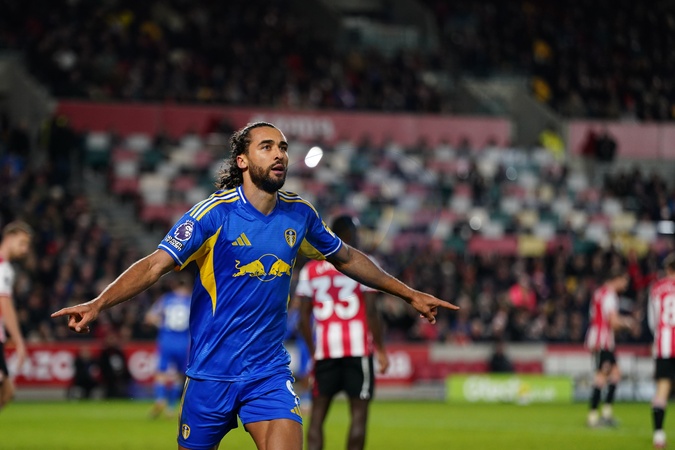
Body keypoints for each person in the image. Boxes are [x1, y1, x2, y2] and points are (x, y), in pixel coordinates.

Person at [51, 121, 459, 450]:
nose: (279, 154)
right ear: (242, 161)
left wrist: (409, 293)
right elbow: (156, 264)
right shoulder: (213, 214)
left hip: (268, 372)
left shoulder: (300, 215)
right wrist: (98, 304)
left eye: (283, 147)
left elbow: (348, 258)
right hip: (210, 373)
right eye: (267, 147)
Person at [295, 215, 390, 450]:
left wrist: (313, 352)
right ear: (347, 234)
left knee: (317, 418)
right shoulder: (363, 263)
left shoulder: (311, 270)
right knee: (358, 415)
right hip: (358, 350)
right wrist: (380, 349)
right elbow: (371, 312)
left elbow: (302, 319)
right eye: (354, 232)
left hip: (325, 352)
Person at [584, 266, 634, 428]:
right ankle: (593, 416)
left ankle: (606, 413)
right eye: (624, 280)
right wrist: (628, 323)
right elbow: (613, 322)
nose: (626, 284)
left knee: (616, 373)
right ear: (617, 279)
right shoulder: (610, 295)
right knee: (601, 376)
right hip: (603, 339)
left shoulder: (599, 292)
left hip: (599, 337)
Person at [145, 272, 192, 419]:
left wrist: (162, 324)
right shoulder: (191, 300)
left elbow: (149, 317)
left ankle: (160, 399)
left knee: (161, 373)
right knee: (178, 375)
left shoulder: (167, 299)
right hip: (184, 342)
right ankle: (171, 408)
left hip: (167, 340)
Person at [0, 220, 32, 411]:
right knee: (5, 390)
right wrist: (19, 342)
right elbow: (4, 304)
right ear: (9, 238)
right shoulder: (3, 267)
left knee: (6, 391)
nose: (25, 249)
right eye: (22, 243)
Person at [647, 253, 675, 449]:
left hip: (663, 345)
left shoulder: (657, 288)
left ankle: (658, 435)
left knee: (662, 389)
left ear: (668, 269)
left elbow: (652, 320)